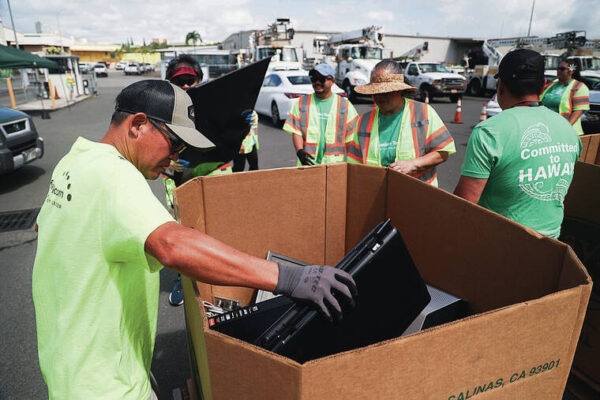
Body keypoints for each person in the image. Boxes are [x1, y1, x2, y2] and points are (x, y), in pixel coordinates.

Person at [32, 80, 357, 400]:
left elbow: (47, 226)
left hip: (71, 367)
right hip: (105, 386)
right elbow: (171, 245)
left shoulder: (75, 161)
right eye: (174, 143)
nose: (175, 157)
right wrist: (289, 276)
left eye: (181, 149)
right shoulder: (115, 175)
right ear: (138, 125)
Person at [454, 49, 581, 239]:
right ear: (543, 86)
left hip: (501, 246)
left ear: (501, 86)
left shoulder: (489, 131)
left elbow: (463, 205)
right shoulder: (568, 129)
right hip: (551, 246)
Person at [353, 60, 455, 187]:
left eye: (385, 92)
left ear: (400, 90)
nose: (380, 97)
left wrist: (413, 164)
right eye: (376, 92)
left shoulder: (422, 112)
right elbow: (354, 167)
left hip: (417, 194)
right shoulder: (363, 121)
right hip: (375, 196)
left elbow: (443, 152)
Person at [283, 63, 362, 166]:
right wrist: (299, 151)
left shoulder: (345, 106)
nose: (317, 82)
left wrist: (352, 166)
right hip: (307, 165)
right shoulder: (302, 103)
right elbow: (296, 131)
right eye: (314, 79)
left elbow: (351, 140)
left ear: (332, 81)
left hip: (334, 167)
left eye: (321, 79)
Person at [540, 59, 590, 136]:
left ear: (571, 71)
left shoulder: (579, 87)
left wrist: (566, 128)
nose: (558, 71)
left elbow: (578, 111)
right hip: (548, 129)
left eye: (562, 69)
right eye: (558, 68)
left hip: (567, 132)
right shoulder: (550, 85)